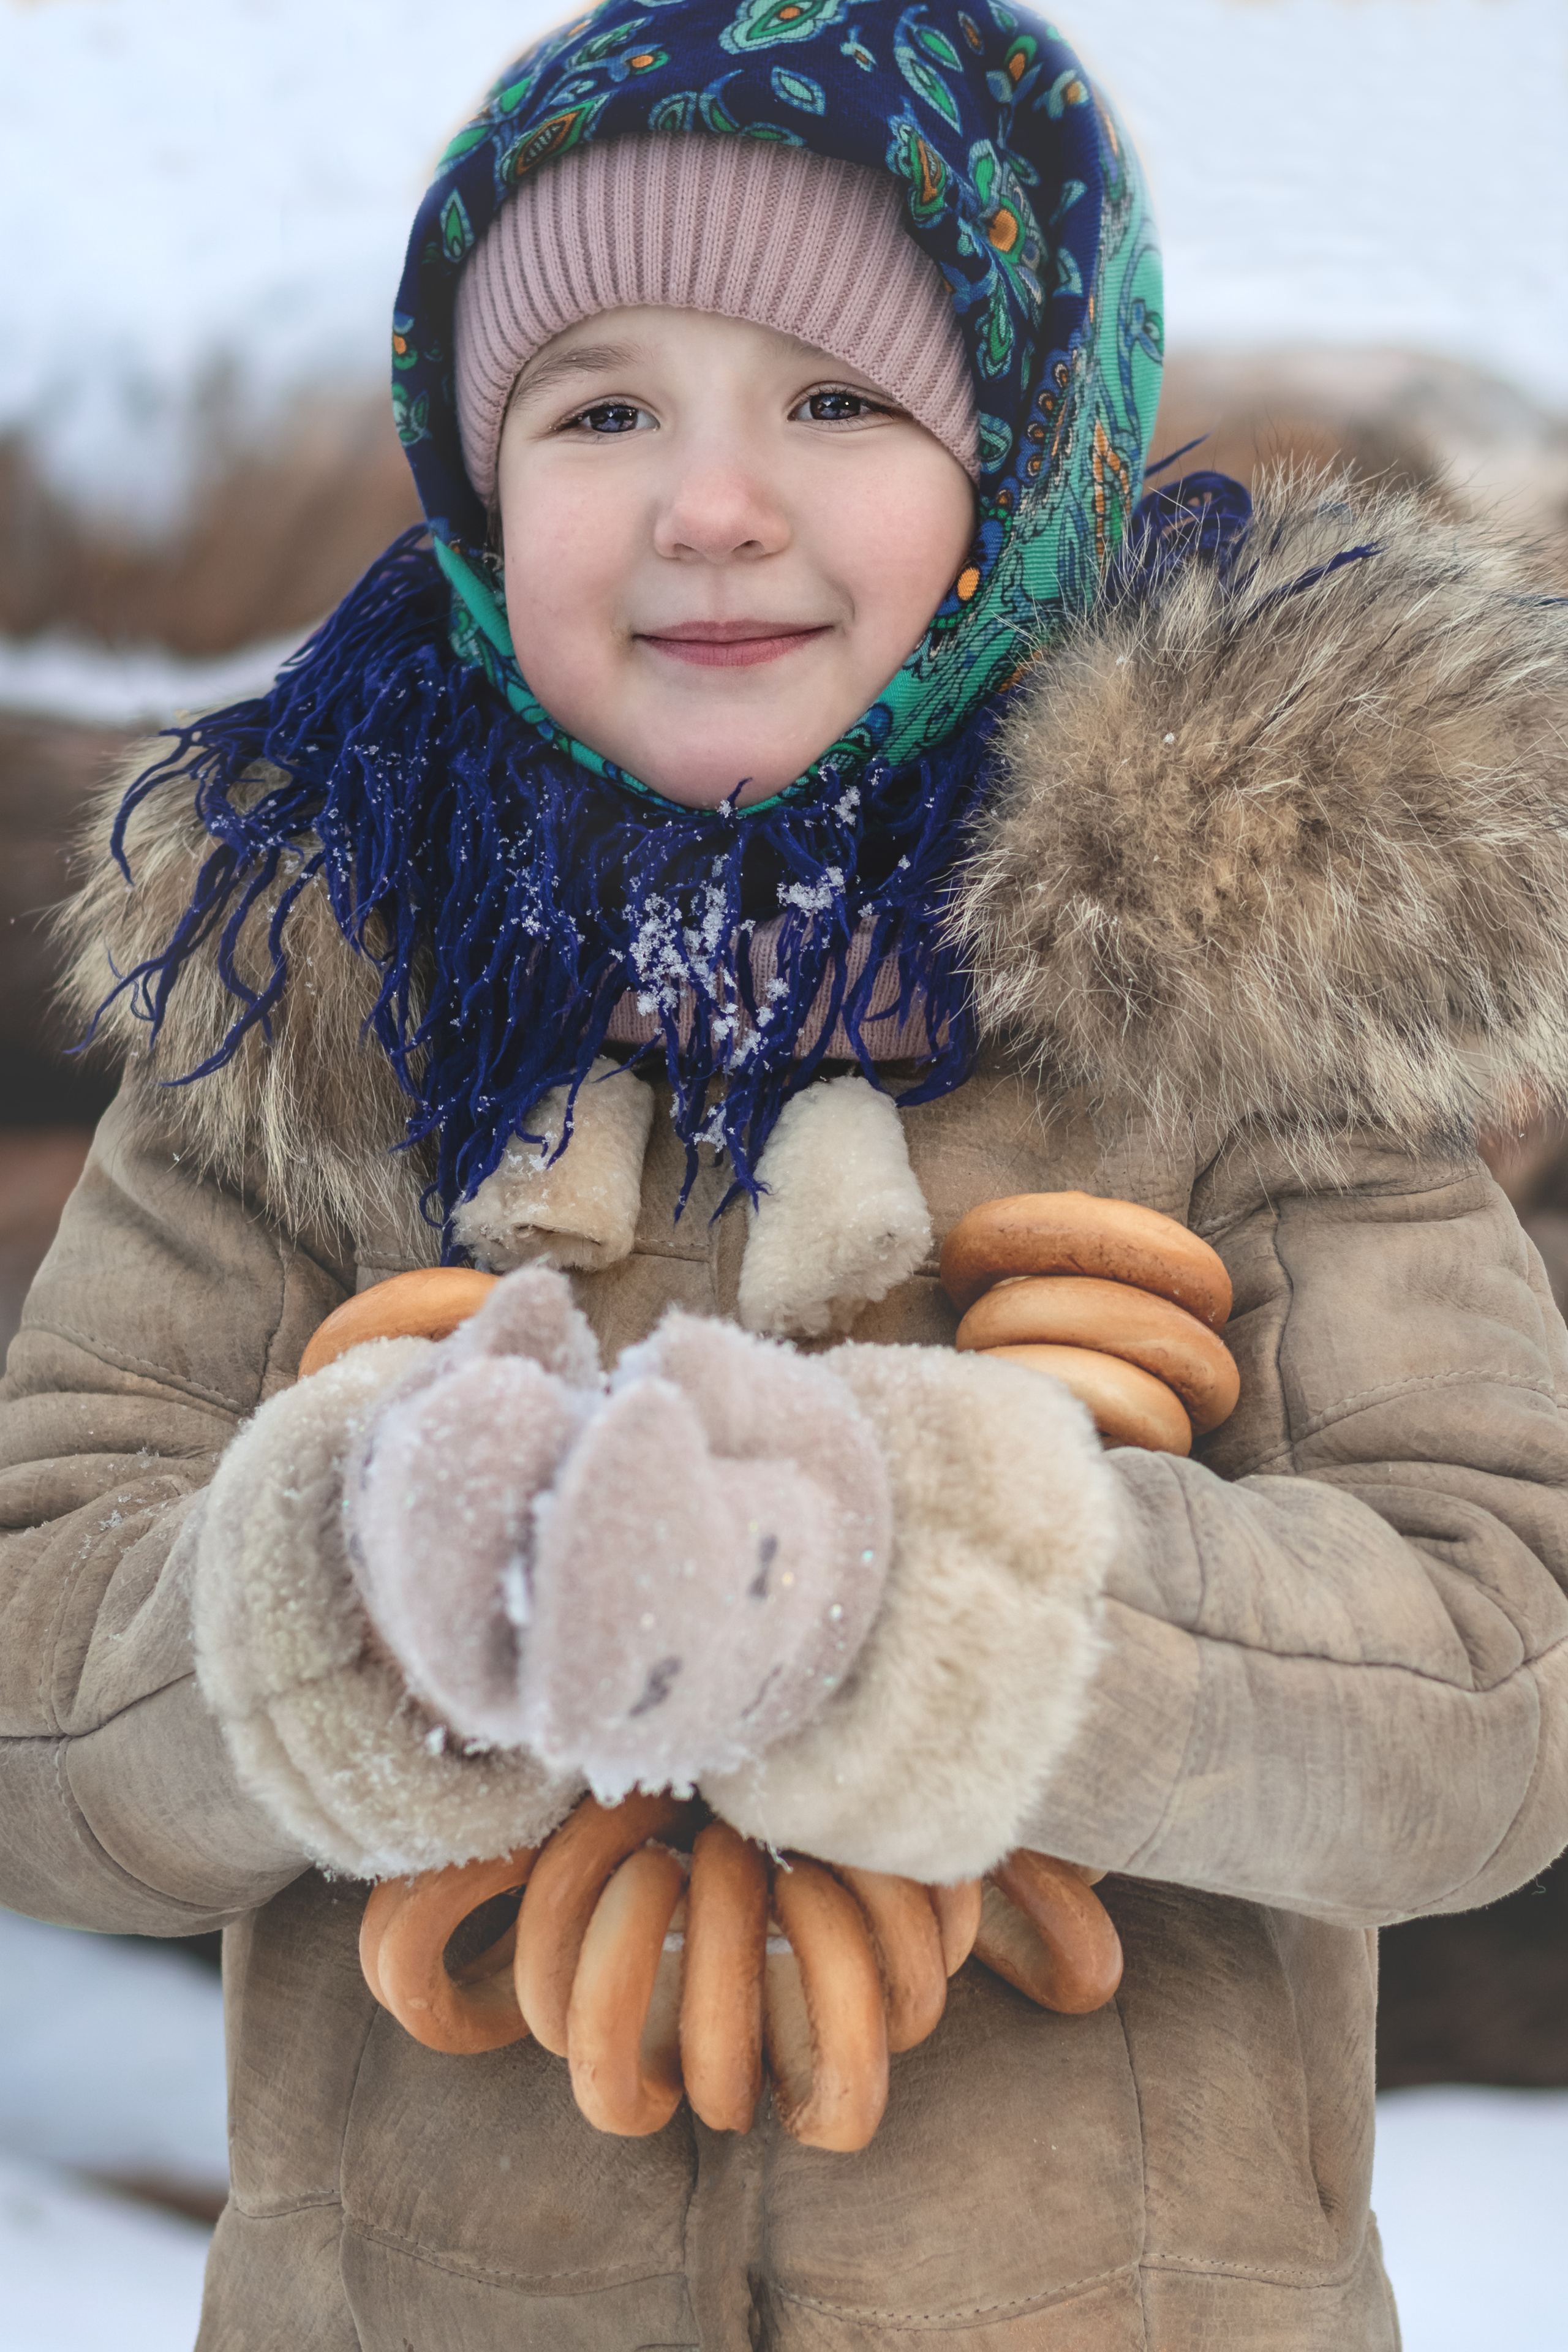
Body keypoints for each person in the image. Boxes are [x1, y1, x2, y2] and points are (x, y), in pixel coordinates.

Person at [5, 3, 1568, 2345]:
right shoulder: (304, 1022)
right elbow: (40, 1708)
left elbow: (1494, 1682)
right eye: (600, 408)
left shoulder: (1251, 1011)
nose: (710, 504)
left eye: (839, 403)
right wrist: (340, 1581)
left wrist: (952, 1589)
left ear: (1026, 458)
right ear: (474, 474)